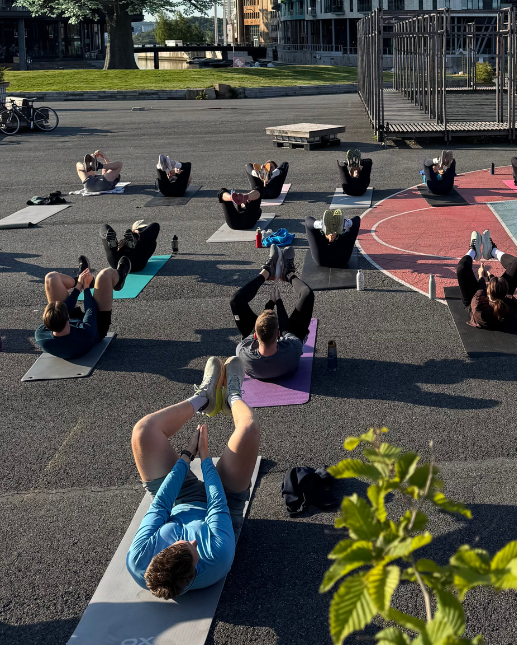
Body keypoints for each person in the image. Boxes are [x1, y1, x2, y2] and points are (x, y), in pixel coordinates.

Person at [127, 356, 260, 598]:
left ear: (160, 553)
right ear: (195, 569)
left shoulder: (138, 559)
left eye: (184, 543)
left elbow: (161, 504)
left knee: (143, 432)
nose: (194, 542)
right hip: (222, 506)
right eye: (194, 549)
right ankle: (233, 396)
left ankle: (203, 398)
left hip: (178, 501)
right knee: (248, 430)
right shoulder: (217, 557)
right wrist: (205, 457)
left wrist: (187, 455)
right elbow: (217, 502)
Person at [231, 246, 314, 381]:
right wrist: (278, 302)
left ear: (255, 336)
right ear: (277, 334)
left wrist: (269, 305)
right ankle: (289, 274)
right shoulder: (294, 349)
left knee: (235, 301)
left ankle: (267, 272)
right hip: (286, 354)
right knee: (308, 295)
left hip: (262, 353)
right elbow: (286, 330)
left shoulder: (242, 351)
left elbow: (256, 329)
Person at [36, 255, 131, 359]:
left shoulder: (41, 335)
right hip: (97, 326)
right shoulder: (85, 335)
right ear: (67, 317)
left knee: (51, 278)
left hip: (73, 323)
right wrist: (85, 288)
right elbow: (90, 310)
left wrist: (78, 286)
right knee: (105, 275)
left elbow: (63, 310)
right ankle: (119, 278)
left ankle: (79, 279)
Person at [455, 229, 517, 329]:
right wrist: (491, 277)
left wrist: (481, 277)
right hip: (494, 298)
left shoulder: (478, 307)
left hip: (472, 303)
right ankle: (492, 251)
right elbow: (501, 293)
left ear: (488, 292)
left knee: (462, 268)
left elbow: (480, 291)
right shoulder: (511, 304)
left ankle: (473, 250)